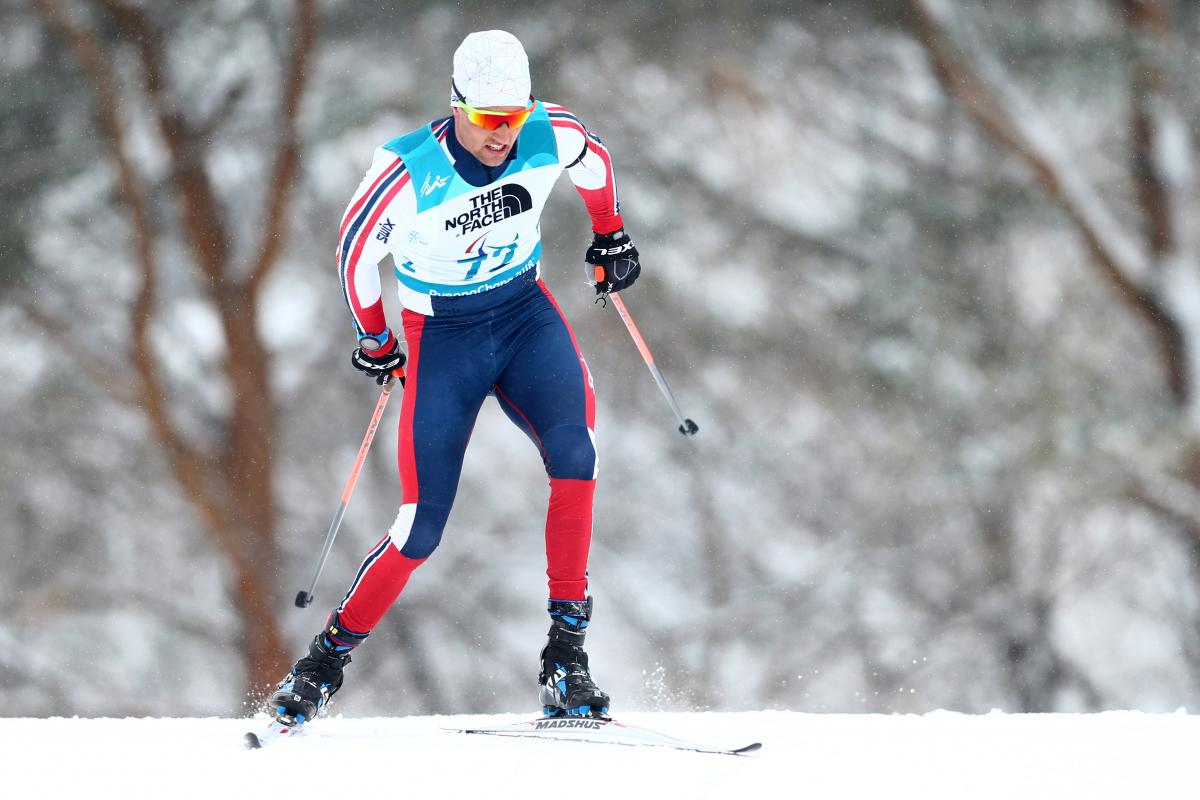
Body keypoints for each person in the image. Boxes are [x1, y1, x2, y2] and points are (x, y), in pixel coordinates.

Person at [268, 30, 640, 724]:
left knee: (578, 457)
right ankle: (322, 664)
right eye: (487, 120)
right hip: (444, 338)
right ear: (457, 107)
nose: (503, 135)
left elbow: (594, 161)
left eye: (515, 118)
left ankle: (567, 657)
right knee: (420, 528)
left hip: (526, 317)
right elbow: (353, 255)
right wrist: (375, 338)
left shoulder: (547, 132)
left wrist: (609, 232)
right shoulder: (408, 170)